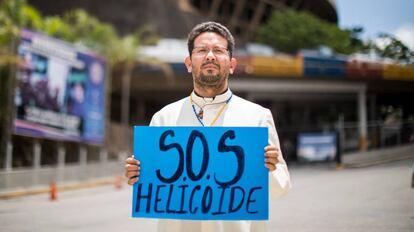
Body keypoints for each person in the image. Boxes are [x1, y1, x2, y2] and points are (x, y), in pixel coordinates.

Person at [125, 21, 291, 232]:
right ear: (188, 63)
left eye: (219, 51)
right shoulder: (164, 118)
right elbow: (155, 189)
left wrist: (271, 168)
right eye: (202, 50)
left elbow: (280, 189)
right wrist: (137, 174)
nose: (210, 56)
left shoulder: (258, 117)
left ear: (231, 65)